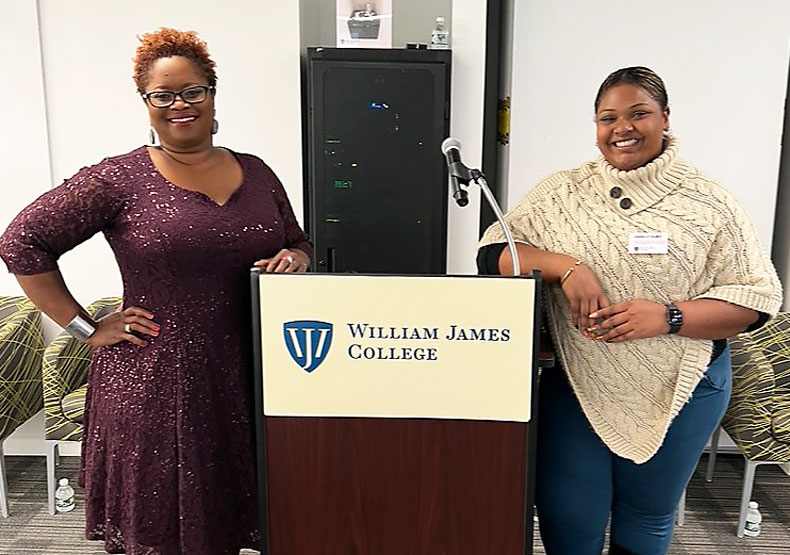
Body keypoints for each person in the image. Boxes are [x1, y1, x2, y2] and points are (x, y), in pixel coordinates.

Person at [0, 28, 311, 554]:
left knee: (230, 517)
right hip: (157, 379)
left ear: (213, 93)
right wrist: (86, 327)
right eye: (161, 95)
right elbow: (21, 243)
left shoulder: (257, 173)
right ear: (145, 103)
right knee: (166, 529)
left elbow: (298, 239)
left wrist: (296, 257)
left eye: (192, 91)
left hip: (246, 372)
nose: (179, 105)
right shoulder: (118, 179)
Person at [478, 66, 782, 554]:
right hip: (578, 379)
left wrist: (668, 316)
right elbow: (494, 254)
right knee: (567, 514)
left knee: (646, 515)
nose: (622, 128)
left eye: (638, 113)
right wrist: (566, 266)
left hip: (686, 383)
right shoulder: (562, 193)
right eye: (608, 118)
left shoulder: (711, 202)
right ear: (596, 127)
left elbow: (754, 300)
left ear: (665, 117)